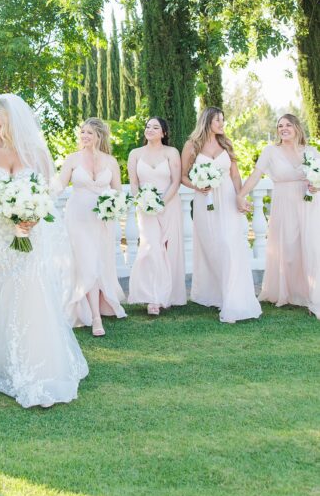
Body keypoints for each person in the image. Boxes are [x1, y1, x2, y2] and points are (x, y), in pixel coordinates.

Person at [0, 94, 88, 408]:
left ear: (14, 118)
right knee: (0, 289)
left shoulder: (36, 152)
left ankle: (36, 363)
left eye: (0, 116)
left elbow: (44, 193)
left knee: (29, 289)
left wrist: (32, 216)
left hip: (30, 232)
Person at [181, 106, 261, 323]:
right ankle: (216, 293)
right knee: (212, 247)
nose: (222, 124)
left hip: (226, 198)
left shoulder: (226, 143)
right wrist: (198, 185)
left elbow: (235, 175)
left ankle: (233, 297)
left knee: (229, 244)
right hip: (204, 201)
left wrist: (240, 196)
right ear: (207, 121)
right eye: (218, 120)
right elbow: (183, 177)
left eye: (223, 120)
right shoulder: (192, 145)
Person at [237, 113, 320, 319]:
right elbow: (256, 175)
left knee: (312, 247)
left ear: (297, 128)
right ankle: (290, 291)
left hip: (309, 205)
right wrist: (241, 195)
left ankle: (314, 294)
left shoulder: (310, 151)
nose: (283, 128)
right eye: (280, 125)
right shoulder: (270, 151)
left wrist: (316, 185)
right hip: (284, 205)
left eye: (288, 125)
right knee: (289, 250)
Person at [58, 118, 126, 337]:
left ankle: (97, 309)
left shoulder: (111, 161)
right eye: (82, 132)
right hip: (77, 217)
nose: (84, 136)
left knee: (98, 262)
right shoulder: (72, 159)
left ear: (99, 136)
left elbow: (117, 190)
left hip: (102, 220)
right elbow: (59, 185)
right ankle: (95, 318)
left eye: (88, 133)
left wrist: (112, 205)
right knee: (87, 263)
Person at [128, 117, 186, 315]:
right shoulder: (135, 154)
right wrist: (143, 202)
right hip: (145, 207)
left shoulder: (171, 152)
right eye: (147, 126)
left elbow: (176, 181)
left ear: (164, 133)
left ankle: (166, 294)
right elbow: (134, 183)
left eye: (155, 127)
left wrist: (161, 202)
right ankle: (152, 297)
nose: (150, 129)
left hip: (169, 204)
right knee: (150, 246)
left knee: (167, 247)